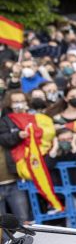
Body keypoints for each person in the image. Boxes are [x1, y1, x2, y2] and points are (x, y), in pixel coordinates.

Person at [0, 91, 32, 221]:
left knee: (23, 220)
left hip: (14, 181)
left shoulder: (8, 122)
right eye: (15, 101)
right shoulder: (5, 123)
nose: (19, 104)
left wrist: (19, 135)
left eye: (21, 101)